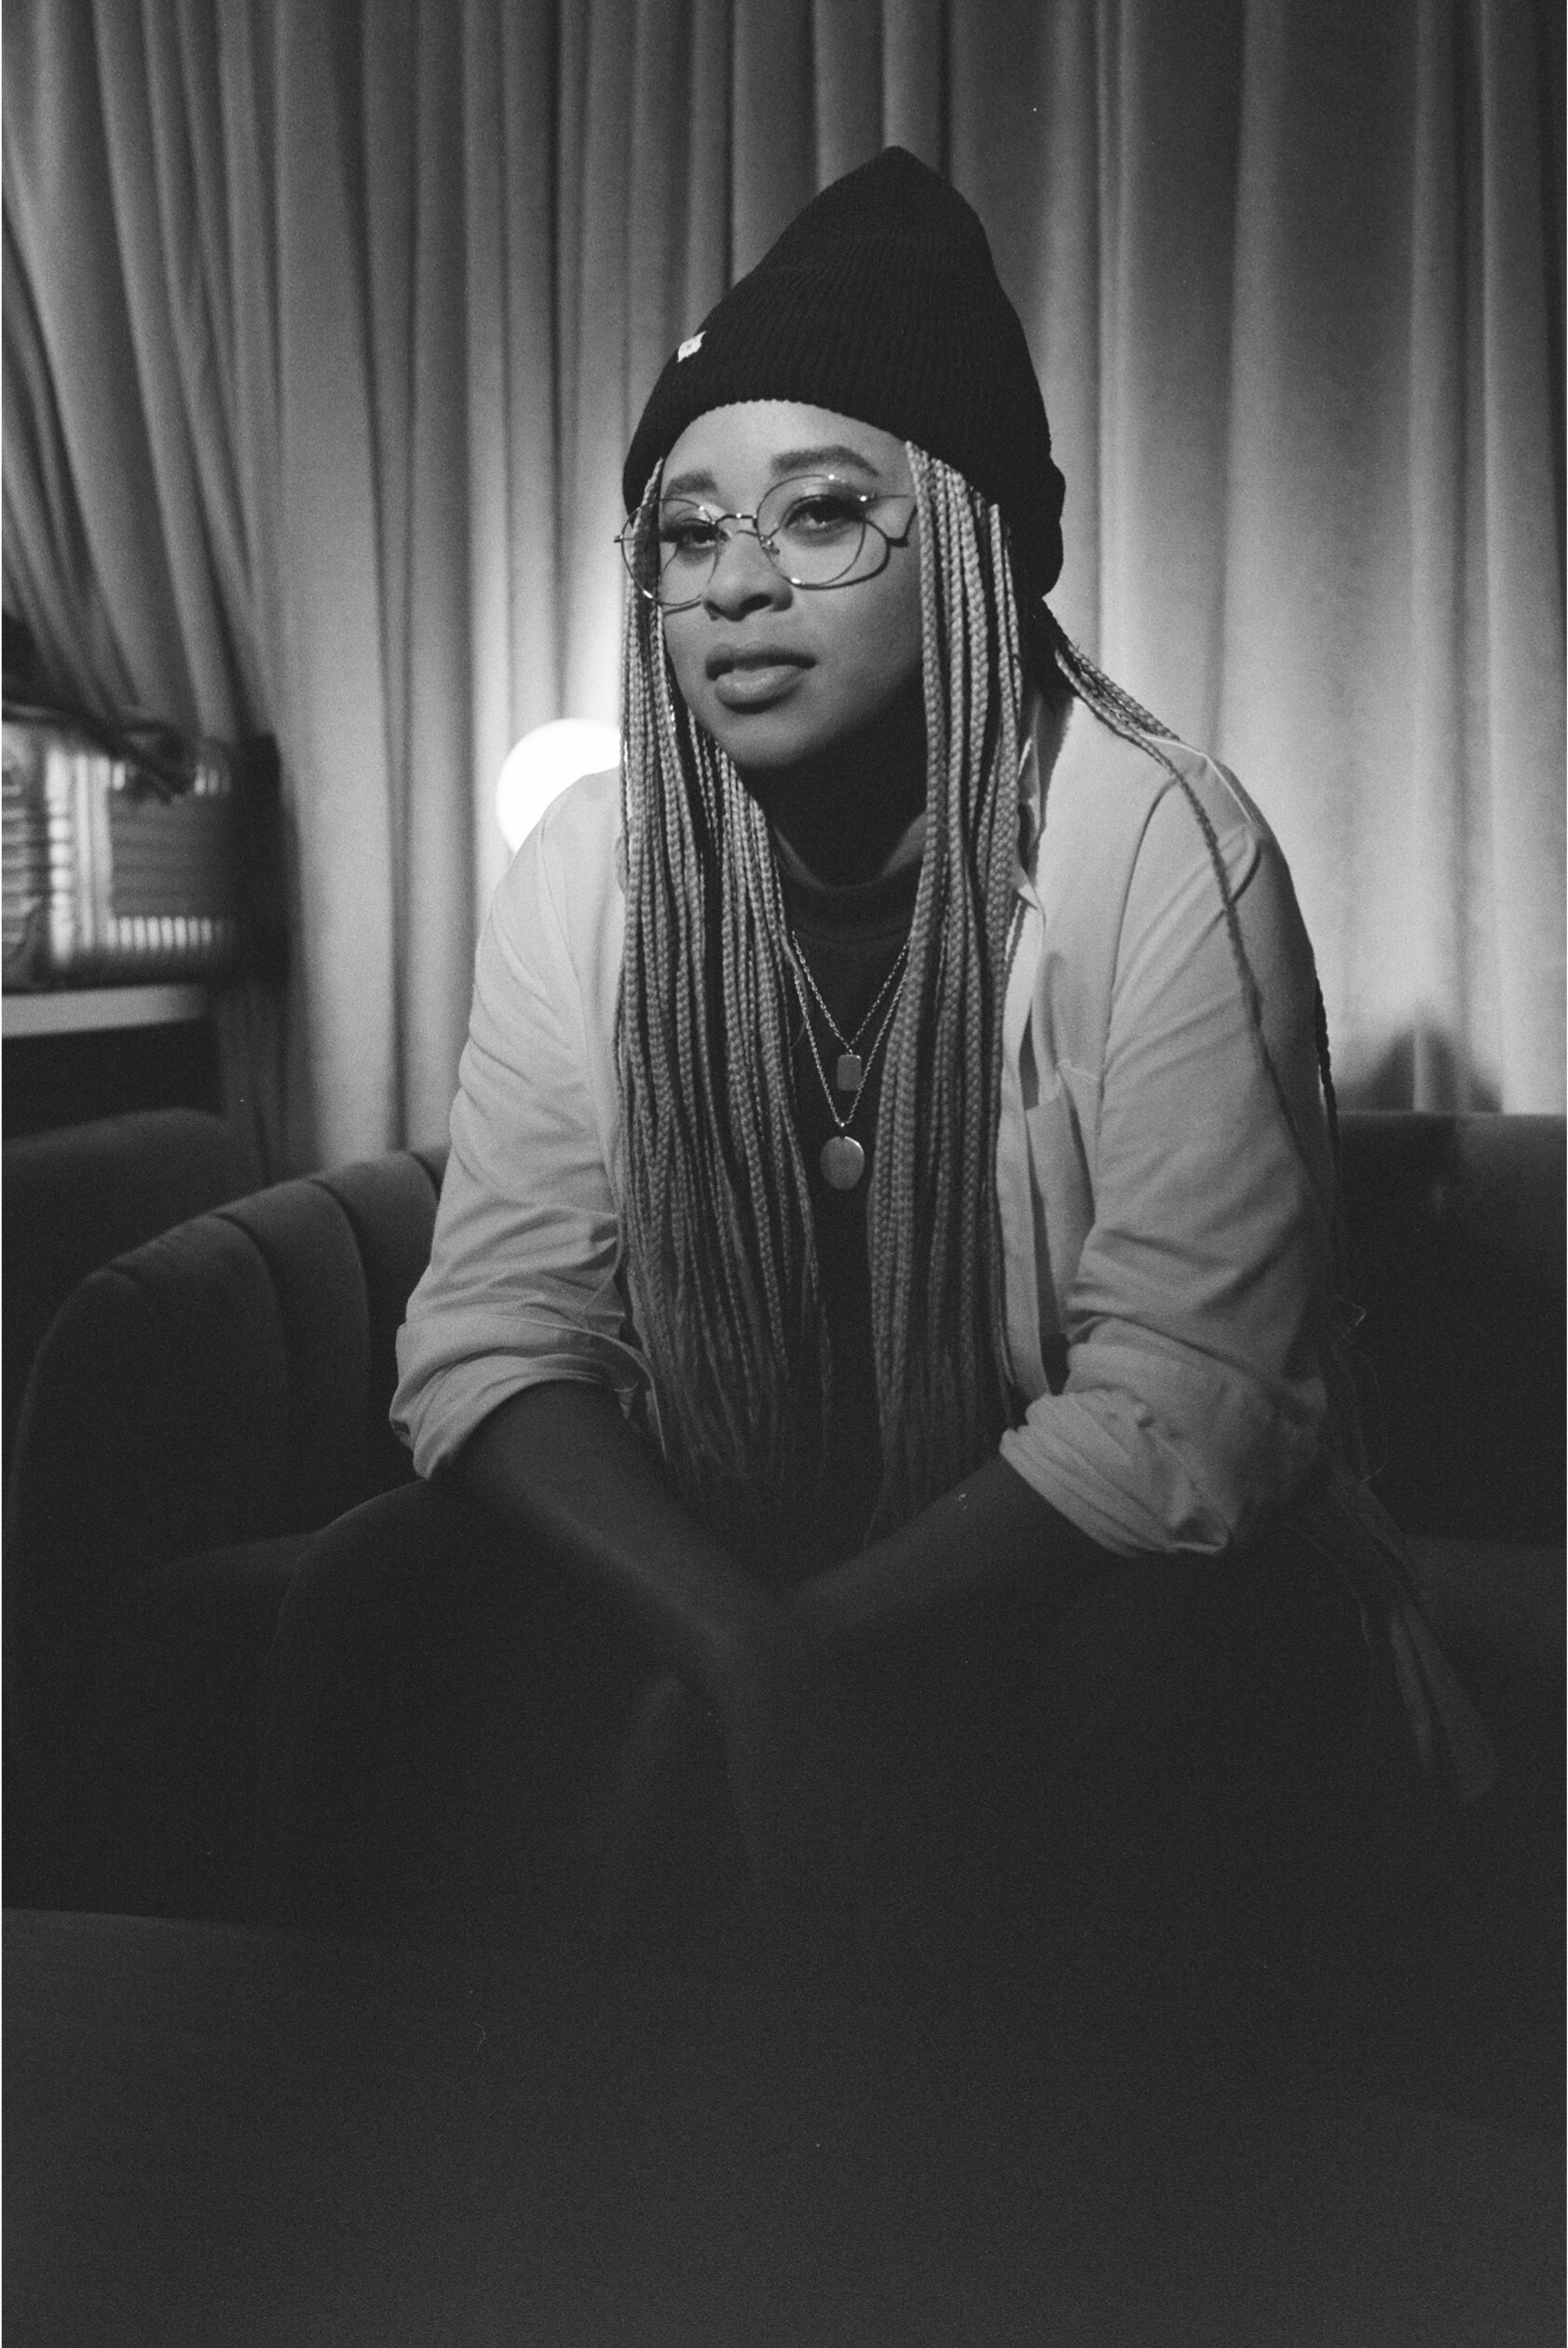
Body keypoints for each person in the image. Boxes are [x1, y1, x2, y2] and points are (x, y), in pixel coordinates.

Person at [254, 151, 1491, 2021]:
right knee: (378, 1595)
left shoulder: (1153, 837)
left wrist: (797, 1657)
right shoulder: (591, 866)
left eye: (823, 513)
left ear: (970, 541)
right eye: (686, 534)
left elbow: (1191, 1405)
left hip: (1050, 1571)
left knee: (1168, 1667)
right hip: (735, 1537)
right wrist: (739, 1648)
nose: (739, 582)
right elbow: (498, 1332)